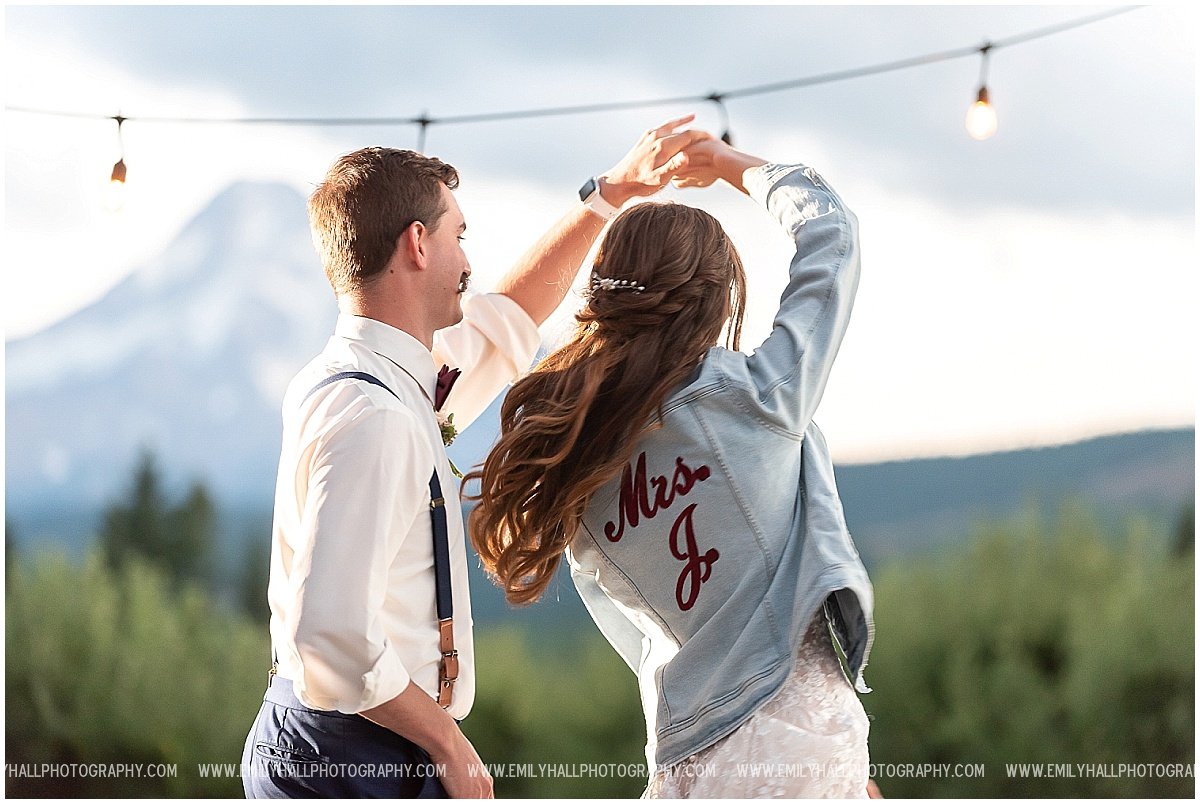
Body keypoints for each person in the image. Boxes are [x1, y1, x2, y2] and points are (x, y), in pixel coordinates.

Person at [241, 116, 712, 798]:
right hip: (352, 754)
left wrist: (608, 196)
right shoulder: (374, 415)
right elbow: (328, 636)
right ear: (418, 243)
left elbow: (512, 320)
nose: (468, 263)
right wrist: (446, 743)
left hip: (355, 743)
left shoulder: (386, 378)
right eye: (460, 236)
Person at [467, 136, 876, 797]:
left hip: (687, 761)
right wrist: (737, 168)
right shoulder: (757, 396)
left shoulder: (575, 463)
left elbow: (642, 642)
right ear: (716, 300)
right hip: (797, 736)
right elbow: (832, 233)